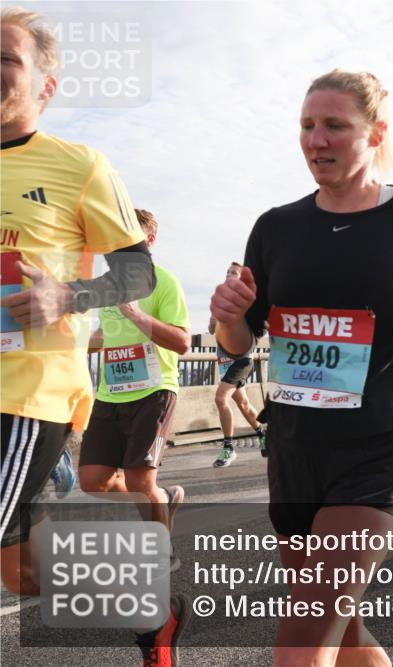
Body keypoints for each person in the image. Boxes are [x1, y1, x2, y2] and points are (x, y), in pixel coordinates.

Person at [209, 68, 393, 665]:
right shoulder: (275, 227)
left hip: (375, 450)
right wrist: (228, 316)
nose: (317, 140)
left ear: (376, 132)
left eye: (335, 125)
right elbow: (240, 341)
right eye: (307, 125)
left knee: (301, 648)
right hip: (293, 449)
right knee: (347, 635)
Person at [0, 10, 187, 664]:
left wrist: (65, 296)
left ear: (45, 87)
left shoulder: (79, 165)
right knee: (20, 573)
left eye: (6, 59)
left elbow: (136, 272)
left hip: (29, 394)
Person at [78, 209, 189, 567]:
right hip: (111, 393)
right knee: (92, 480)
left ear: (149, 242)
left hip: (154, 392)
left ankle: (161, 549)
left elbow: (183, 342)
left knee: (141, 481)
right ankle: (160, 499)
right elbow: (105, 335)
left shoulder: (164, 282)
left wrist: (137, 315)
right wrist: (75, 342)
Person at [209, 262, 266, 467]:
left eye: (234, 272)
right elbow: (211, 329)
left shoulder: (246, 303)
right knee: (243, 404)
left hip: (242, 360)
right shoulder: (222, 300)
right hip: (225, 361)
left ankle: (228, 448)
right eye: (227, 272)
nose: (229, 275)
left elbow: (259, 330)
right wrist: (216, 317)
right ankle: (263, 434)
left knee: (220, 398)